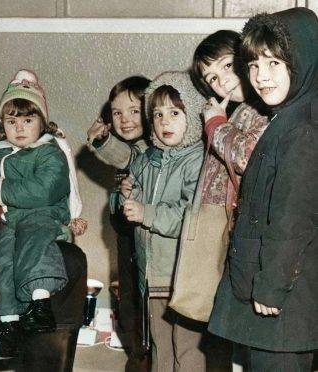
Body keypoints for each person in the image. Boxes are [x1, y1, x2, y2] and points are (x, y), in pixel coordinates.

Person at [208, 8, 318, 371]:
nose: (260, 77)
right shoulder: (290, 116)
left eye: (273, 63)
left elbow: (292, 217)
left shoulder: (303, 129)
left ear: (301, 59)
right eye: (253, 65)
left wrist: (271, 285)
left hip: (284, 300)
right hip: (276, 295)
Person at [0, 69, 86, 357]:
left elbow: (46, 189)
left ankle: (40, 303)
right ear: (3, 124)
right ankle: (8, 323)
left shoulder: (50, 152)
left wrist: (0, 188)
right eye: (12, 121)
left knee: (33, 240)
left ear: (42, 122)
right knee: (2, 256)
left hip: (44, 214)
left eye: (28, 120)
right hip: (10, 219)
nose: (20, 128)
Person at [112, 71, 206, 372]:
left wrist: (146, 213)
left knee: (188, 353)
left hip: (184, 277)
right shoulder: (147, 159)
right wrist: (124, 196)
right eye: (158, 114)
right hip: (152, 277)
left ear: (192, 115)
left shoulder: (199, 160)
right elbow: (128, 202)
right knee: (160, 351)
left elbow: (192, 217)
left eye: (175, 113)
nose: (165, 121)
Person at [86, 75, 151, 371]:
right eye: (117, 112)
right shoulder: (132, 152)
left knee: (146, 323)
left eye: (134, 111)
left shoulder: (151, 150)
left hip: (149, 255)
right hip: (129, 250)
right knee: (130, 316)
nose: (125, 120)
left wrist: (103, 141)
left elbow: (126, 156)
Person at [190, 30, 269, 211]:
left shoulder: (266, 107)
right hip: (221, 221)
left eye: (227, 66)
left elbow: (248, 158)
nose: (223, 81)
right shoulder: (234, 113)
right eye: (213, 78)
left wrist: (216, 125)